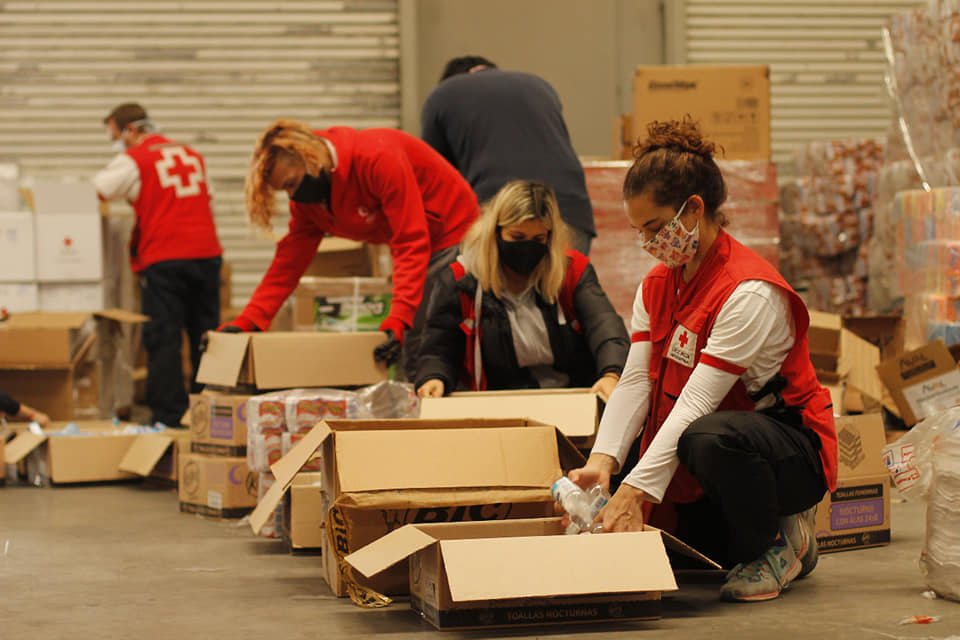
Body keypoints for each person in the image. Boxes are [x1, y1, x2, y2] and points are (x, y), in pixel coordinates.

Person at [563, 117, 838, 603]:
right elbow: (634, 385)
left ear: (693, 209)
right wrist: (603, 465)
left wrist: (636, 492)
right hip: (705, 445)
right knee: (679, 547)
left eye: (654, 228)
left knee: (705, 437)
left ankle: (781, 539)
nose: (648, 243)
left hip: (781, 447)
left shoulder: (748, 291)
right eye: (638, 231)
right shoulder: (657, 285)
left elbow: (696, 404)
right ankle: (747, 535)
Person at [227, 120, 481, 379]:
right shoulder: (311, 198)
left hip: (452, 228)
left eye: (291, 183)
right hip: (413, 238)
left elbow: (409, 240)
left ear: (309, 156)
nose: (293, 196)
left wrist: (400, 316)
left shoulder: (377, 156)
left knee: (425, 336)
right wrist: (250, 320)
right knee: (410, 341)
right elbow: (288, 262)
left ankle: (438, 408)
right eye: (285, 190)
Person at [415, 180, 627, 399]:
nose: (527, 247)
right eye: (517, 237)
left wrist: (612, 373)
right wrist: (434, 377)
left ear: (550, 238)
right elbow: (437, 348)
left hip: (573, 396)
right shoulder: (460, 279)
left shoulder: (572, 272)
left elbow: (605, 327)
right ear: (496, 232)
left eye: (538, 239)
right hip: (498, 403)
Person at [93, 103, 223, 427]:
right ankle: (208, 411)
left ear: (131, 130)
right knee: (206, 337)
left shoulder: (135, 158)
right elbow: (207, 197)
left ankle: (170, 417)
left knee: (163, 338)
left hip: (166, 258)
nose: (117, 143)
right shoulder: (191, 155)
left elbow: (97, 191)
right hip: (207, 254)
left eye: (115, 136)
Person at [420, 56, 596, 255]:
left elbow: (432, 179)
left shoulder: (443, 94)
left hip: (502, 218)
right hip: (570, 214)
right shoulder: (539, 86)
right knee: (564, 285)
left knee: (493, 284)